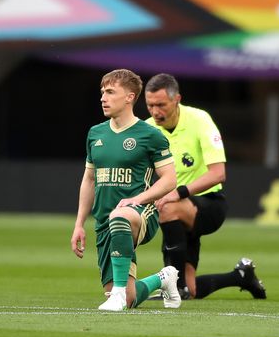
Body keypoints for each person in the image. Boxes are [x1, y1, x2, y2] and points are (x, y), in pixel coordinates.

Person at [143, 73, 266, 300]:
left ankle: (174, 288)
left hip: (209, 205)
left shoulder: (199, 120)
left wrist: (176, 193)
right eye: (150, 105)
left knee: (168, 208)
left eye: (161, 104)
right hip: (175, 211)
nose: (155, 111)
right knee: (194, 290)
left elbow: (218, 174)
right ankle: (241, 276)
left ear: (177, 99)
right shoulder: (147, 130)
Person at [71, 69, 182, 312]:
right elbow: (89, 180)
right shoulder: (95, 133)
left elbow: (170, 179)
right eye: (102, 92)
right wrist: (79, 223)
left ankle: (117, 295)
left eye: (110, 92)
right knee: (131, 298)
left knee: (119, 217)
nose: (103, 98)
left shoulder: (150, 135)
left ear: (130, 97)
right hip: (104, 220)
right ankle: (163, 279)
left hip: (141, 212)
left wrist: (137, 199)